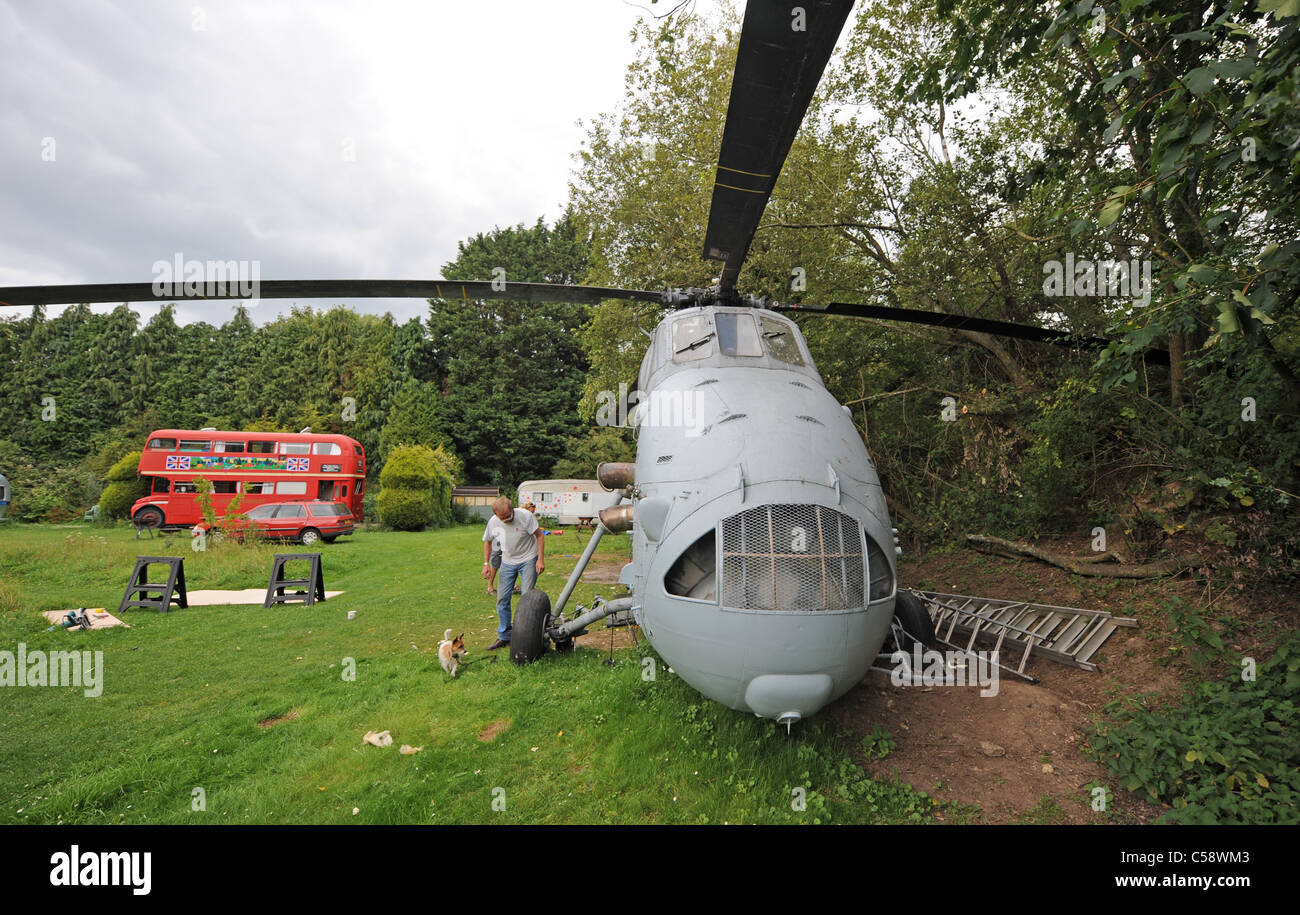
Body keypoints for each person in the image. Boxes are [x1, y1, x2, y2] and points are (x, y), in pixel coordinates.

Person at [480, 496, 544, 650]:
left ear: (513, 509)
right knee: (502, 599)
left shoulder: (525, 516)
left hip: (528, 558)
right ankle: (504, 636)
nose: (507, 519)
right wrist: (486, 564)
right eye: (503, 518)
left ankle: (524, 635)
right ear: (496, 515)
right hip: (508, 561)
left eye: (509, 515)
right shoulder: (493, 522)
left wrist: (540, 560)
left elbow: (540, 536)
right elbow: (488, 542)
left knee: (526, 599)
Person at [485, 528, 504, 594]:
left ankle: (512, 585)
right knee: (495, 565)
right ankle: (490, 587)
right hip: (497, 544)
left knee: (510, 564)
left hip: (507, 542)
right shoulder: (494, 520)